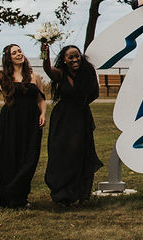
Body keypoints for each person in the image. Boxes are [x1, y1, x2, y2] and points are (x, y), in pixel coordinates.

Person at [0, 44, 46, 209]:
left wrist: (43, 113)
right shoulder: (3, 76)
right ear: (9, 57)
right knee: (7, 158)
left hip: (30, 122)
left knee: (28, 158)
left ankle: (21, 197)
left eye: (20, 51)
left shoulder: (34, 76)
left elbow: (41, 98)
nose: (18, 54)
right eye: (14, 52)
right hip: (10, 121)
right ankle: (7, 197)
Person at [41, 43, 102, 206]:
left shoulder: (88, 71)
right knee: (62, 153)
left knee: (79, 153)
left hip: (81, 116)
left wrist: (81, 104)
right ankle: (61, 193)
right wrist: (45, 54)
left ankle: (78, 192)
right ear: (65, 60)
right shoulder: (60, 74)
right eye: (71, 57)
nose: (75, 59)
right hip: (63, 118)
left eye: (77, 56)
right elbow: (47, 69)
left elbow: (94, 93)